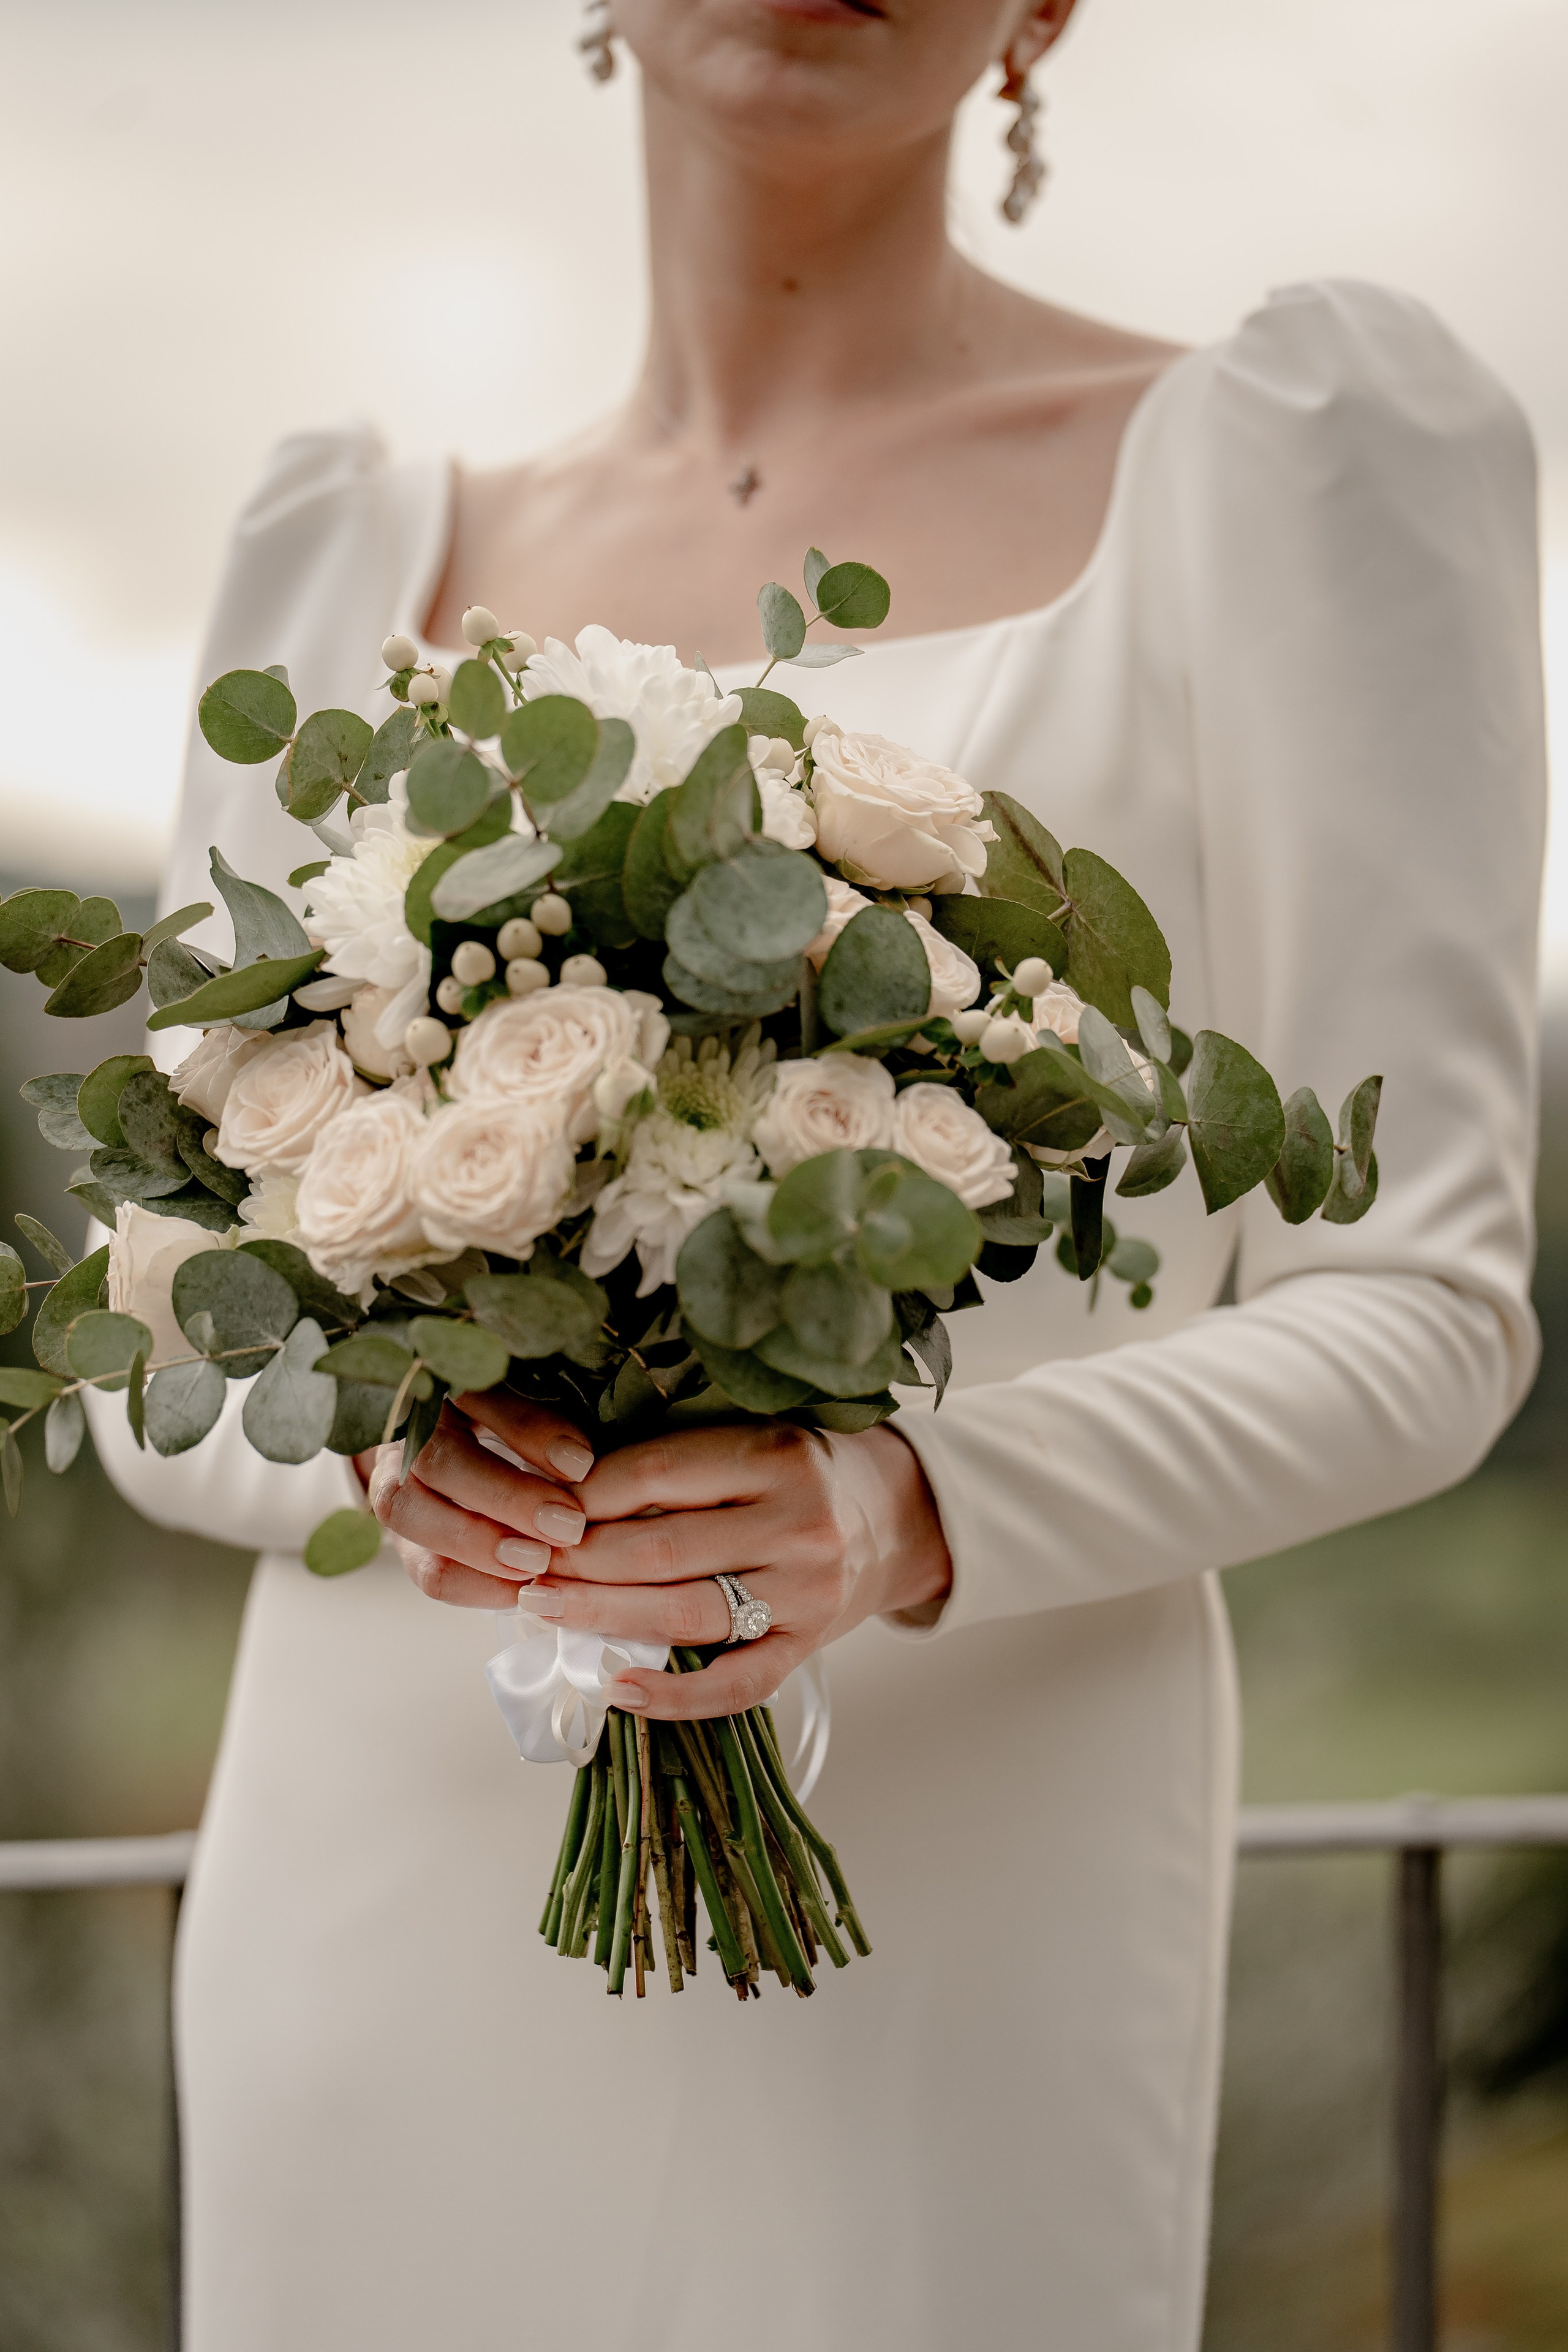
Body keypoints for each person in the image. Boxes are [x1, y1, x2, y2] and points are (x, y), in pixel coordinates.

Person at [88, 1, 1547, 2345]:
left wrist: (908, 1501)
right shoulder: (337, 549)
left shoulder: (1295, 459)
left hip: (964, 1885)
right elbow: (148, 1327)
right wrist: (408, 1432)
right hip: (384, 1861)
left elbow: (1432, 1297)